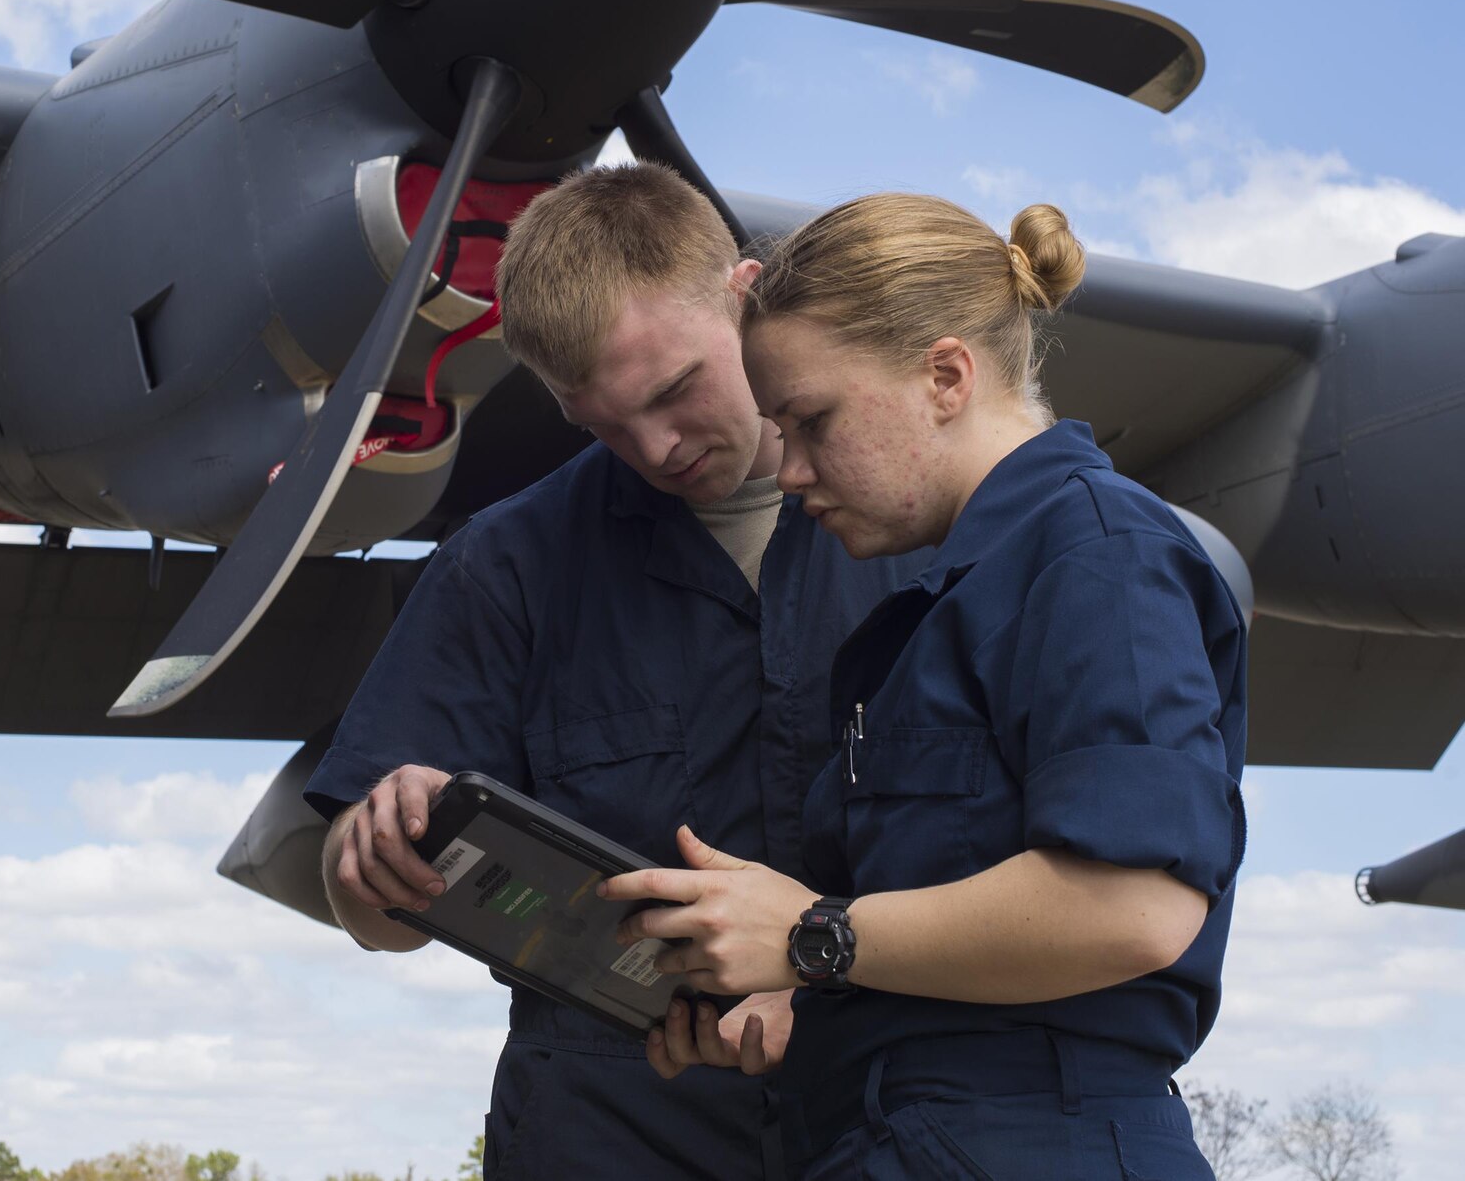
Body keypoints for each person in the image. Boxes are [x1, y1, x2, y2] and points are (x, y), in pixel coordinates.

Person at [598, 194, 1247, 1179]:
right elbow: (919, 940)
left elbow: (1132, 906)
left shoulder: (1093, 553)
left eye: (812, 421)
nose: (790, 469)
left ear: (945, 376)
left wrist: (811, 936)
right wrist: (792, 994)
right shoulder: (941, 601)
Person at [302, 165, 914, 1180]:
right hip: (605, 1130)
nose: (654, 448)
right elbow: (370, 916)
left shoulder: (930, 530)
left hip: (892, 1111)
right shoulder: (504, 568)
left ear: (744, 295)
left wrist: (829, 971)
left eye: (674, 392)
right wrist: (366, 857)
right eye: (602, 428)